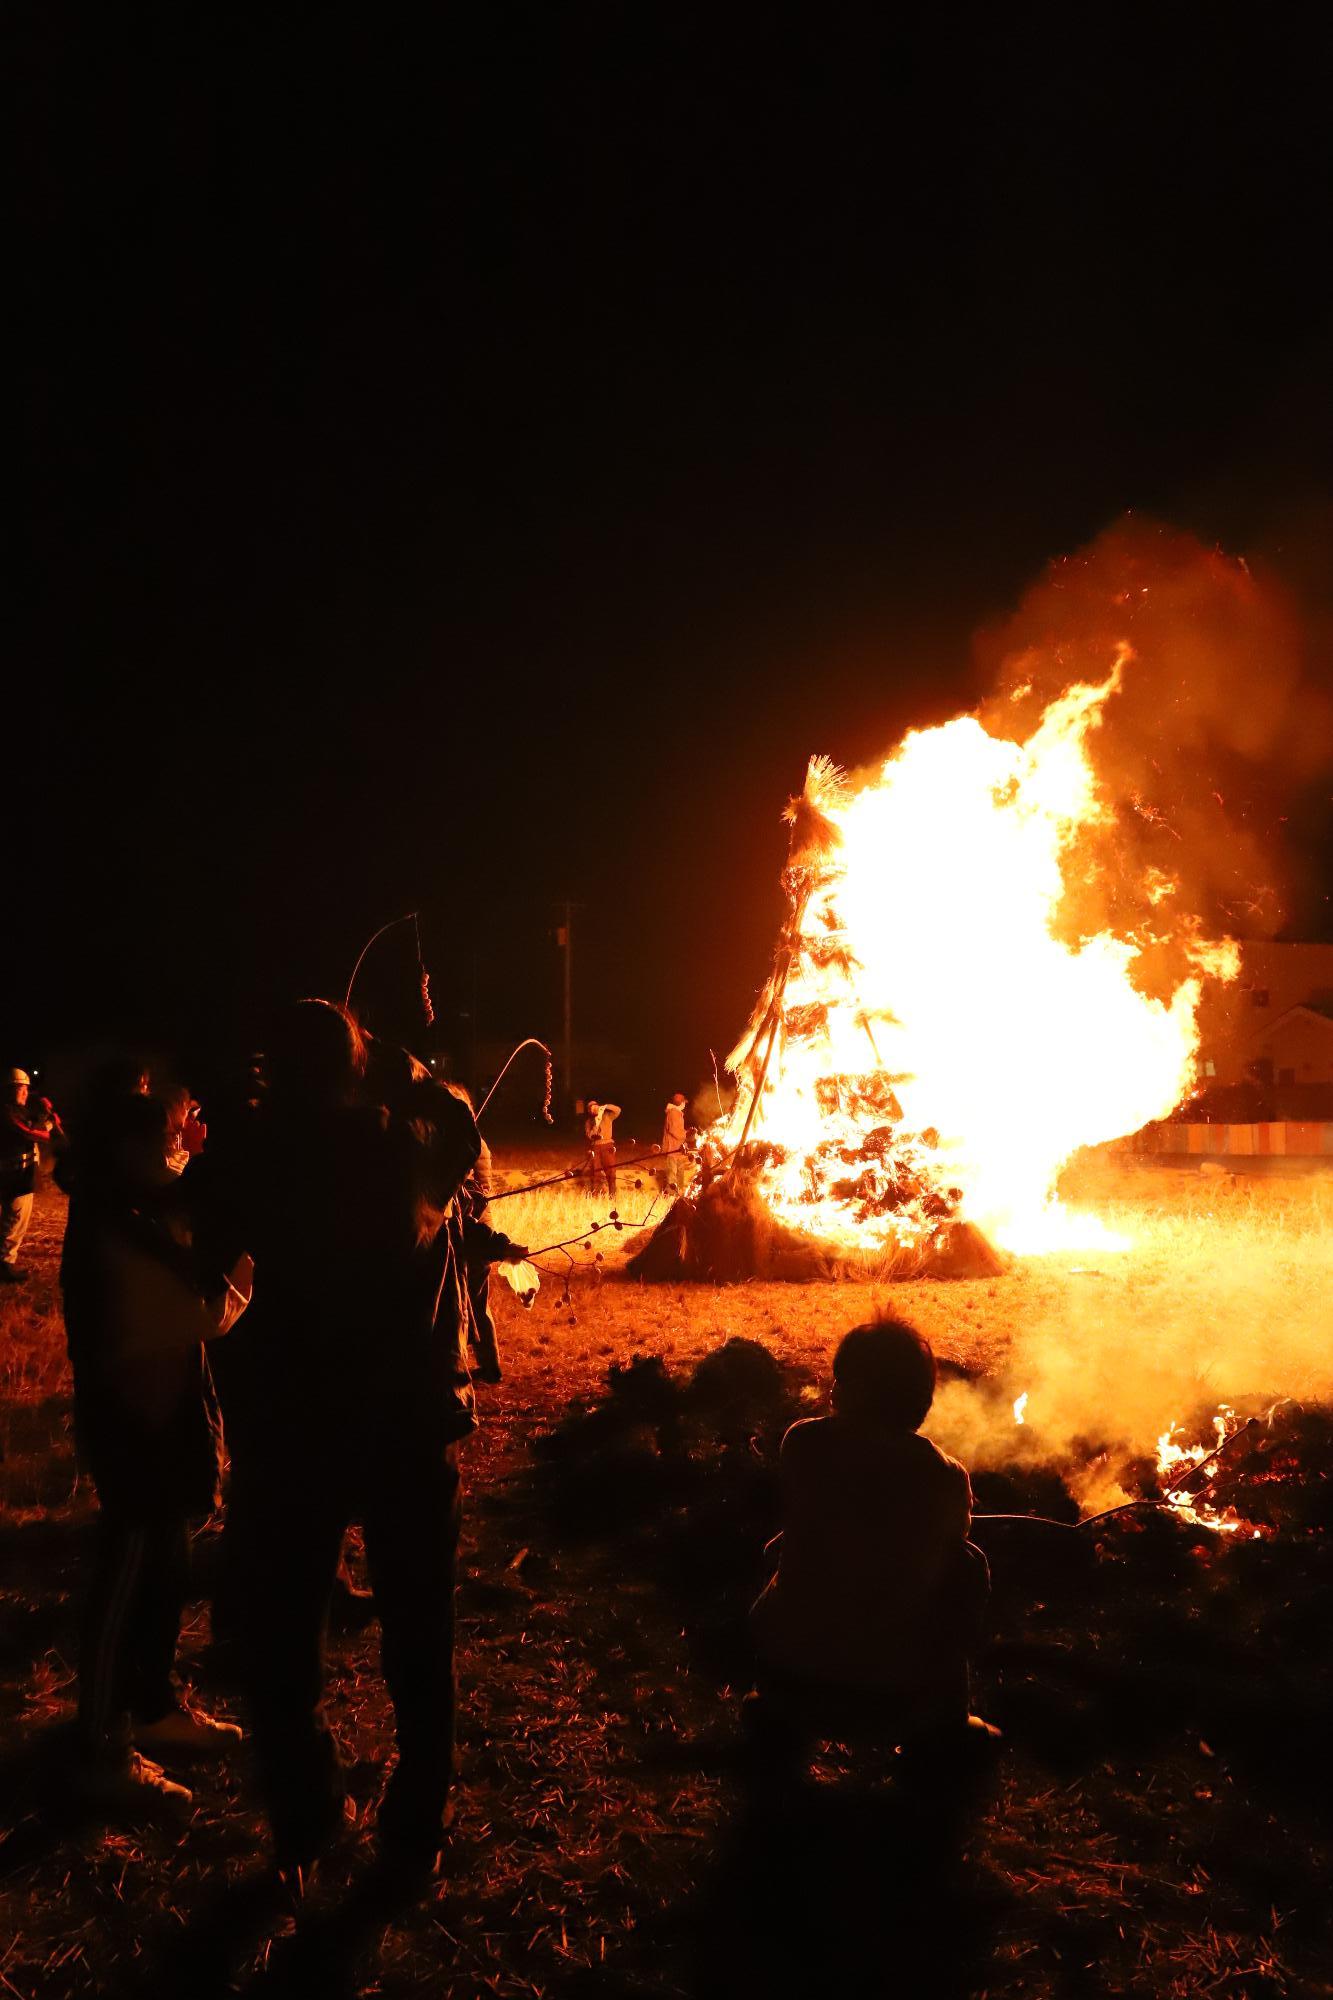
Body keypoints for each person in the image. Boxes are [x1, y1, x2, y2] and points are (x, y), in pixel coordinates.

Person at [206, 999, 482, 1885]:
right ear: (358, 1067)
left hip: (289, 1422)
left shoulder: (247, 1152)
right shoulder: (405, 1145)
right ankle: (417, 1821)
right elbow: (458, 1118)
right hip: (402, 1419)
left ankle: (304, 1807)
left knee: (282, 1624)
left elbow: (206, 1249)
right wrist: (397, 1062)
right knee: (418, 1623)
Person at [60, 1087, 250, 1809]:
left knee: (164, 1566)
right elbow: (201, 1314)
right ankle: (99, 1748)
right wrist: (242, 1264)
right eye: (167, 1137)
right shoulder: (116, 1221)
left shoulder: (125, 1203)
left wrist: (204, 1167)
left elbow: (183, 1201)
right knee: (127, 1576)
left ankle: (152, 1707)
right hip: (133, 1423)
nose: (176, 1149)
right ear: (125, 1148)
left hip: (158, 1416)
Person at [750, 1317, 995, 1753]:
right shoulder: (944, 1474)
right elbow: (946, 1542)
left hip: (791, 1681)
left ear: (842, 1390)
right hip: (896, 1698)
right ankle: (949, 1721)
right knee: (967, 1565)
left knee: (785, 1545)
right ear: (922, 1402)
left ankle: (776, 1696)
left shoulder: (801, 1442)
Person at [1, 1068, 61, 1281]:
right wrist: (49, 1124)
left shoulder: (19, 1110)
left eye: (26, 1089)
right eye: (20, 1089)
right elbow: (32, 1132)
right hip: (13, 1176)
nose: (25, 1093)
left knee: (17, 1218)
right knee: (14, 1219)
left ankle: (6, 1261)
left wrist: (44, 1112)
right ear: (9, 1090)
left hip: (21, 1174)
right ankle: (4, 1265)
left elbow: (33, 1123)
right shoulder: (7, 1113)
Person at [583, 1098, 621, 1201]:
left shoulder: (607, 1116)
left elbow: (617, 1110)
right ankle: (596, 1197)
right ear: (589, 1111)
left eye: (595, 1107)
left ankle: (612, 1198)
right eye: (591, 1108)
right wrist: (596, 1125)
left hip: (608, 1145)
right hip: (595, 1147)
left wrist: (605, 1106)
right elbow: (589, 1135)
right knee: (596, 1172)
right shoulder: (589, 1122)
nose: (593, 1109)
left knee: (611, 1172)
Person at [658, 1091, 690, 1193]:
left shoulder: (677, 1113)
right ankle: (671, 1196)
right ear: (681, 1103)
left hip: (678, 1149)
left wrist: (687, 1133)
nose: (685, 1104)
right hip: (672, 1149)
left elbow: (678, 1130)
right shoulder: (674, 1113)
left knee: (679, 1173)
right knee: (672, 1174)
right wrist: (687, 1135)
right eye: (684, 1102)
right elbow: (674, 1131)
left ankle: (679, 1195)